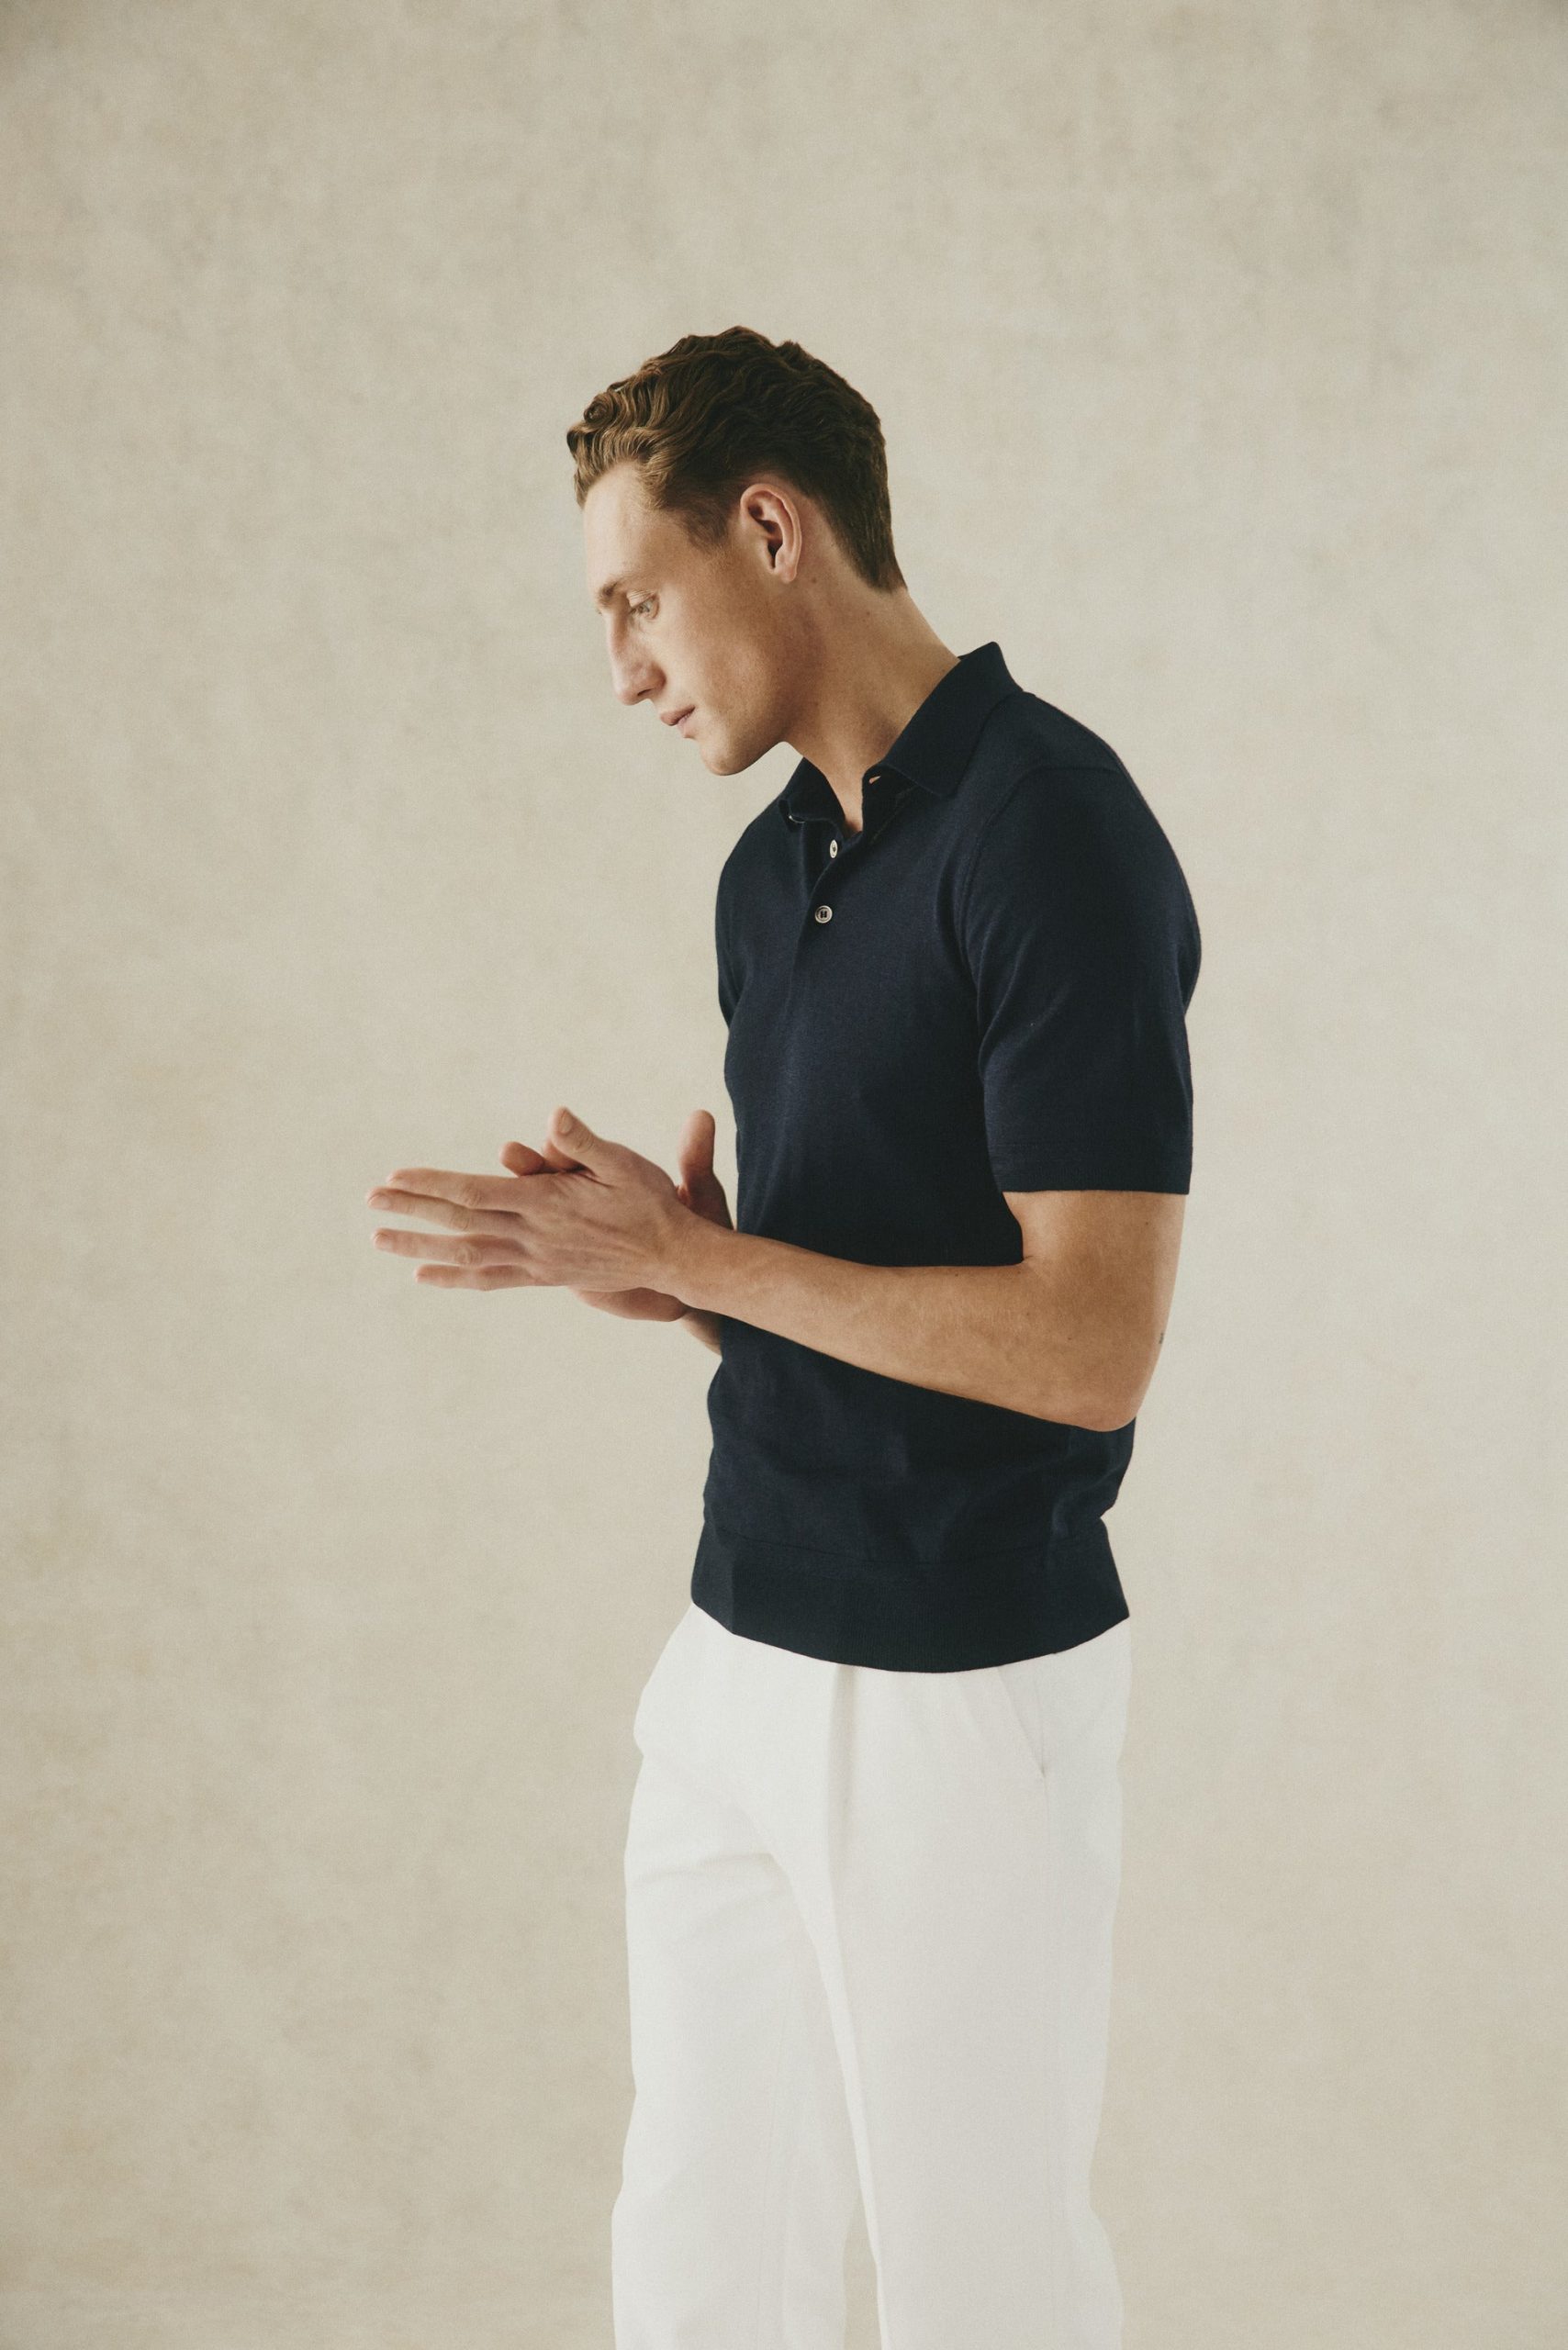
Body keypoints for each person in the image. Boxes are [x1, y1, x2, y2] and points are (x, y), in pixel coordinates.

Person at [365, 324, 1201, 2349]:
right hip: (738, 1635)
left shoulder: (1051, 828)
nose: (623, 667)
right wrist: (681, 1276)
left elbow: (1089, 1346)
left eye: (635, 600)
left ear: (768, 527)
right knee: (698, 2256)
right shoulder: (769, 877)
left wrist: (717, 1265)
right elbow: (870, 1299)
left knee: (978, 2282)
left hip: (955, 1677)